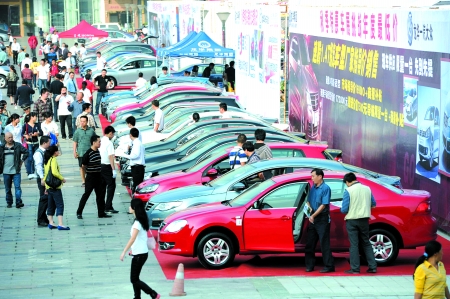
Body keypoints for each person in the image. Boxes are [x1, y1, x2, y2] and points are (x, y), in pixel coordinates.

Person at [120, 198, 161, 299]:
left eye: (131, 206)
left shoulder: (137, 223)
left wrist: (124, 251)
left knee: (134, 279)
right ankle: (137, 297)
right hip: (141, 253)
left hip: (139, 255)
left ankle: (153, 293)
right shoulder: (141, 220)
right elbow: (141, 238)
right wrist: (133, 250)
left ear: (134, 208)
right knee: (136, 278)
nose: (129, 207)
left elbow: (133, 238)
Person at [340, 172, 377, 274]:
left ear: (347, 182)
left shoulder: (348, 190)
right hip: (364, 219)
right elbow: (373, 204)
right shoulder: (367, 189)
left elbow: (344, 209)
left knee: (354, 245)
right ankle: (372, 266)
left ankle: (355, 268)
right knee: (366, 242)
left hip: (352, 220)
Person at [305, 168, 335, 273]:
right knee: (310, 243)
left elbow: (323, 205)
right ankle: (310, 265)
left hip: (322, 219)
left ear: (320, 176)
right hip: (313, 217)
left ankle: (329, 265)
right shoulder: (313, 187)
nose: (312, 178)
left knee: (324, 243)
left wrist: (313, 215)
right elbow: (309, 200)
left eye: (313, 176)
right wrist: (308, 209)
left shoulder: (326, 188)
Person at [76, 134, 110, 219]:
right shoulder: (88, 153)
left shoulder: (97, 151)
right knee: (86, 195)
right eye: (99, 142)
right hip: (90, 177)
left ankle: (101, 213)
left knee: (100, 195)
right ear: (94, 142)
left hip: (98, 176)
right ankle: (79, 212)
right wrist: (84, 179)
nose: (100, 143)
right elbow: (83, 167)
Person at [44, 145, 69, 230]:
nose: (58, 152)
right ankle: (60, 223)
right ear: (54, 152)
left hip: (48, 186)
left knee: (51, 204)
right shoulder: (53, 160)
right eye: (57, 151)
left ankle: (51, 222)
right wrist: (62, 179)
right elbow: (54, 172)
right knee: (59, 204)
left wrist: (46, 187)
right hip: (55, 186)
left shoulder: (47, 160)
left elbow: (46, 174)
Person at [0, 132, 28, 208]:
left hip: (16, 171)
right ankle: (9, 202)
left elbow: (26, 152)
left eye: (11, 137)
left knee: (17, 187)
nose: (11, 139)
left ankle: (18, 202)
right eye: (9, 137)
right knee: (8, 189)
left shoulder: (17, 145)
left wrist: (22, 161)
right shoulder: (2, 148)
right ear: (5, 138)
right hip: (6, 172)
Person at [73, 115, 95, 186]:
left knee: (90, 167)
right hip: (81, 152)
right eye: (81, 121)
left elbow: (95, 141)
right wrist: (74, 152)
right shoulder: (77, 131)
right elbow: (75, 142)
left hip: (90, 152)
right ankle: (83, 181)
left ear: (87, 122)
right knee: (82, 167)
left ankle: (90, 180)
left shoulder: (91, 131)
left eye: (84, 121)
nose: (82, 123)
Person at [100, 126, 118, 214]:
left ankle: (102, 205)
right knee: (111, 185)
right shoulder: (109, 143)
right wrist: (113, 169)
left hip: (100, 165)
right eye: (113, 133)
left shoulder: (101, 140)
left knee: (102, 186)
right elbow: (110, 156)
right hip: (107, 166)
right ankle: (108, 205)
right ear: (110, 133)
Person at [122, 128, 145, 193]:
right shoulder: (137, 143)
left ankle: (135, 199)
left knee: (137, 185)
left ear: (130, 135)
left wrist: (124, 155)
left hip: (137, 167)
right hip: (137, 167)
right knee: (136, 184)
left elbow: (135, 155)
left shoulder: (137, 143)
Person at [34, 136, 50, 227]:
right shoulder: (38, 153)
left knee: (46, 199)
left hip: (46, 178)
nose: (50, 144)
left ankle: (44, 218)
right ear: (44, 143)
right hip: (42, 178)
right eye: (49, 142)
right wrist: (42, 178)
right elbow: (38, 166)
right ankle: (40, 219)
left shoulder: (45, 152)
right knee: (44, 198)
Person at [22, 112, 41, 179]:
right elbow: (21, 134)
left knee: (36, 158)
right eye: (35, 117)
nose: (36, 118)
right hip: (29, 144)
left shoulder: (37, 124)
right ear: (32, 117)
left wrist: (37, 134)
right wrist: (26, 136)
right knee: (30, 158)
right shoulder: (26, 125)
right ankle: (30, 173)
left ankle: (36, 172)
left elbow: (41, 132)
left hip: (36, 143)